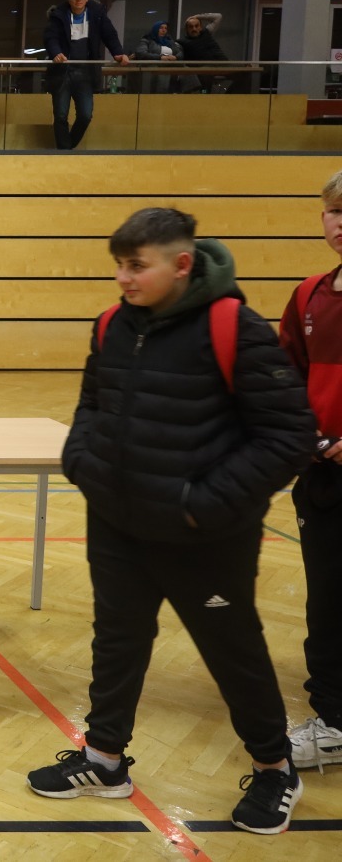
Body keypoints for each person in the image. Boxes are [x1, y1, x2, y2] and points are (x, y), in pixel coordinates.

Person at [28, 207, 312, 835]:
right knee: (117, 640)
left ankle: (274, 769)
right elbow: (92, 403)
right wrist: (84, 464)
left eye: (137, 266)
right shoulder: (112, 325)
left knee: (232, 651)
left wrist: (200, 504)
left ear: (182, 264)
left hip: (204, 539)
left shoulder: (235, 328)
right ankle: (104, 760)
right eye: (119, 266)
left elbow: (289, 436)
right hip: (117, 524)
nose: (124, 279)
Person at [277, 169, 342, 774]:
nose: (341, 223)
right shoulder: (308, 296)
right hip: (324, 479)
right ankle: (334, 721)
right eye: (334, 211)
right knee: (328, 600)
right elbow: (286, 381)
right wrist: (310, 438)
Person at [42, 0, 129, 150]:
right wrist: (56, 53)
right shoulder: (58, 15)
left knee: (85, 115)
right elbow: (50, 38)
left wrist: (118, 53)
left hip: (86, 72)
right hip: (62, 71)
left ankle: (66, 149)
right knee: (60, 115)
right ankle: (64, 152)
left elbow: (109, 34)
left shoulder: (97, 13)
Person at [178, 13, 230, 93]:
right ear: (186, 29)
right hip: (204, 68)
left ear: (200, 27)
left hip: (223, 64)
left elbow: (218, 17)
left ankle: (230, 95)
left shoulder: (206, 32)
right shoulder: (182, 42)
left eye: (196, 26)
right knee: (204, 75)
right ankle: (204, 95)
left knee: (245, 73)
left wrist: (196, 16)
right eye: (191, 27)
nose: (194, 29)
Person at [129, 20, 179, 95]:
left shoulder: (170, 42)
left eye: (165, 28)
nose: (164, 30)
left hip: (168, 69)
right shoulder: (147, 40)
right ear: (156, 29)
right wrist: (160, 57)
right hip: (151, 69)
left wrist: (176, 57)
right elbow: (141, 53)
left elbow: (180, 53)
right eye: (161, 28)